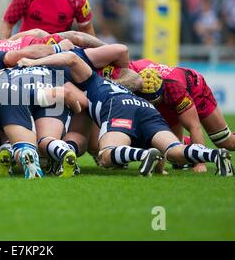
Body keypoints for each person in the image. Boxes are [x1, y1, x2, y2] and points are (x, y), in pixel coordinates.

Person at [17, 52, 233, 177]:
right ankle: (213, 155)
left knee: (106, 155)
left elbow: (72, 59)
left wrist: (35, 62)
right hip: (145, 108)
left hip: (118, 107)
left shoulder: (92, 81)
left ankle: (141, 155)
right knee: (175, 150)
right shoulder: (121, 81)